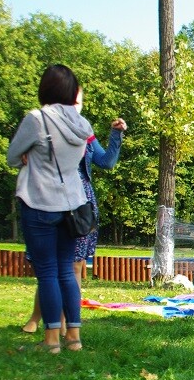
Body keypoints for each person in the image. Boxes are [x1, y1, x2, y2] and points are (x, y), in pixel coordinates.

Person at [7, 64, 97, 353]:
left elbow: (12, 156)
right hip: (72, 204)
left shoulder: (37, 119)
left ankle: (51, 340)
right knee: (67, 272)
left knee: (47, 273)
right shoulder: (82, 125)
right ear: (72, 93)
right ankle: (74, 337)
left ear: (45, 89)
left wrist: (28, 156)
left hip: (39, 201)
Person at [22, 88, 126, 334]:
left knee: (75, 265)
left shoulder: (85, 131)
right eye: (72, 100)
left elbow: (106, 162)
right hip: (50, 198)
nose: (76, 105)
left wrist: (116, 135)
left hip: (81, 205)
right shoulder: (43, 124)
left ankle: (69, 323)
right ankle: (40, 318)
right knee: (50, 264)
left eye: (79, 101)